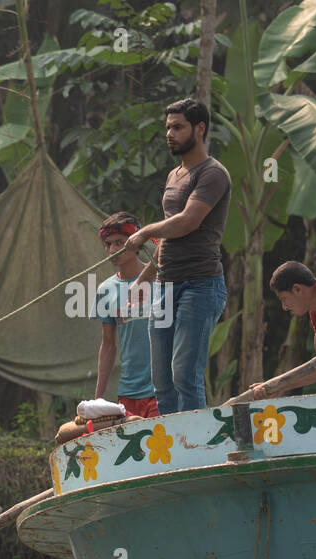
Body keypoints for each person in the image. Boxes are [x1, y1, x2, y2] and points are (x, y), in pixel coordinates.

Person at [121, 97, 231, 413]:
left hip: (201, 285)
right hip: (166, 286)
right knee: (162, 381)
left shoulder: (213, 173)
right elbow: (168, 237)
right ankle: (173, 452)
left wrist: (143, 232)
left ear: (199, 128)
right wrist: (143, 280)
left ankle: (196, 447)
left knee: (185, 374)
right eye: (168, 127)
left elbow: (187, 222)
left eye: (178, 127)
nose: (170, 133)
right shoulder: (174, 176)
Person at [93, 212, 159, 418]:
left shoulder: (160, 281)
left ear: (136, 243)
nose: (113, 250)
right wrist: (98, 399)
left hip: (161, 389)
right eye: (108, 244)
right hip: (129, 392)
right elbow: (108, 345)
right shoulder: (106, 290)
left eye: (120, 242)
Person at [239, 261, 316, 400]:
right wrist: (275, 387)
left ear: (297, 289)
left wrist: (275, 385)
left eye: (284, 299)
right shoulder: (315, 312)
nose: (284, 307)